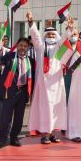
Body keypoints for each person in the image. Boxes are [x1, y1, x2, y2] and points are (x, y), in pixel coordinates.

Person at [27, 12, 67, 144]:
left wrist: (69, 28)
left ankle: (53, 134)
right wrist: (31, 22)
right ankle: (44, 134)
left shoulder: (59, 48)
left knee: (56, 108)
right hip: (43, 84)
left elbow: (65, 39)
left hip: (57, 83)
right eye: (48, 34)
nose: (50, 36)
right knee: (45, 109)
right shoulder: (40, 46)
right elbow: (35, 35)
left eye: (53, 34)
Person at [0, 37, 33, 148]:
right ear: (17, 46)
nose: (22, 48)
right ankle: (1, 141)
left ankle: (14, 138)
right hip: (9, 91)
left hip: (23, 92)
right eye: (21, 45)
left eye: (25, 46)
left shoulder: (30, 60)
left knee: (19, 118)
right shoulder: (10, 56)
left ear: (28, 48)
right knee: (6, 118)